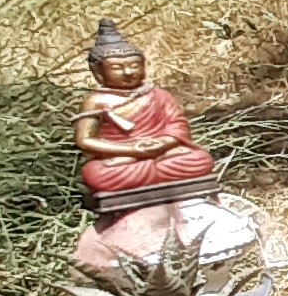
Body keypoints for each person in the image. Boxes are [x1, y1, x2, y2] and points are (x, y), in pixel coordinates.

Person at [74, 20, 218, 196]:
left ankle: (153, 171)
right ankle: (150, 172)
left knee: (199, 160)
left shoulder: (158, 95)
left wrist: (161, 143)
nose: (128, 72)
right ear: (98, 72)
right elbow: (85, 140)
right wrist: (132, 150)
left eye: (134, 65)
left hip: (161, 153)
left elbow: (178, 125)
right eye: (117, 68)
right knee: (95, 173)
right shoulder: (96, 101)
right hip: (122, 159)